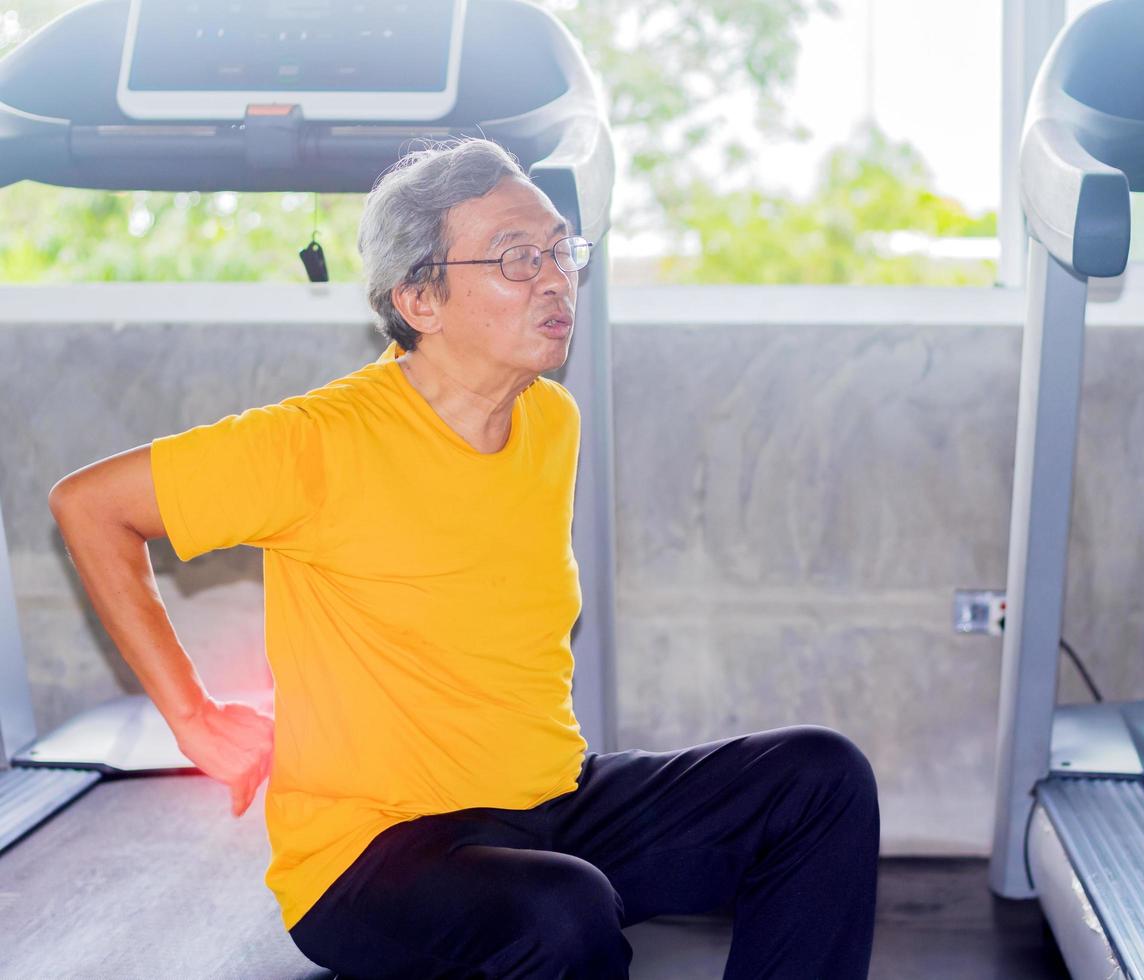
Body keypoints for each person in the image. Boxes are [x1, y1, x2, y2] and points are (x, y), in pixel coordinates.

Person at [47, 138, 879, 979]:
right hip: (373, 859)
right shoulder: (321, 442)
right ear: (420, 298)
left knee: (817, 780)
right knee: (563, 911)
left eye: (560, 249)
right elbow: (91, 507)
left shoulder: (550, 422)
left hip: (551, 806)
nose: (555, 278)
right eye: (518, 258)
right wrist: (194, 719)